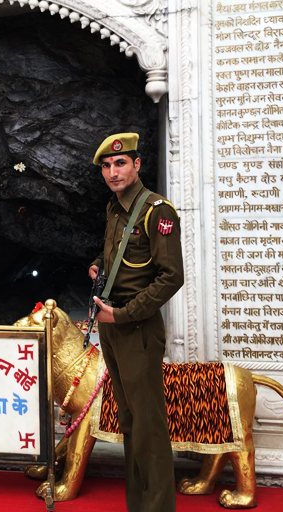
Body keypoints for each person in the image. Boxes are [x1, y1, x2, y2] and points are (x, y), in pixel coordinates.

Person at [88, 132, 183, 512]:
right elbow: (121, 255)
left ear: (137, 164)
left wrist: (123, 314)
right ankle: (138, 504)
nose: (113, 172)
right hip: (111, 324)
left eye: (120, 163)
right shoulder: (115, 208)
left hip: (137, 327)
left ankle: (158, 507)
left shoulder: (157, 211)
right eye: (107, 166)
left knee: (148, 425)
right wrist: (99, 266)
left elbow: (171, 276)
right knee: (128, 421)